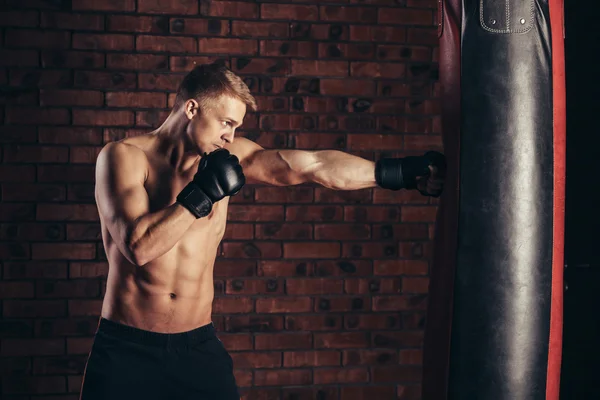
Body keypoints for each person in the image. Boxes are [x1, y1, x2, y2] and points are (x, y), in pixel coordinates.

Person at [80, 62, 446, 400]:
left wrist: (399, 174)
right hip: (128, 350)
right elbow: (139, 247)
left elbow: (310, 165)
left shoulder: (228, 155)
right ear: (191, 109)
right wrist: (203, 193)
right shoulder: (124, 157)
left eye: (236, 127)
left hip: (197, 347)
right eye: (225, 122)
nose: (230, 136)